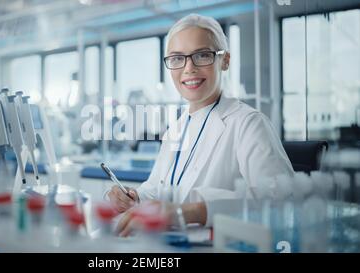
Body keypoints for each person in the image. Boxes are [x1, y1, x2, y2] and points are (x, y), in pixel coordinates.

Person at [108, 14, 294, 236]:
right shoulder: (175, 130)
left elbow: (281, 197)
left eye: (202, 55)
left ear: (224, 60)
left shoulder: (248, 123)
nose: (189, 68)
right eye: (177, 58)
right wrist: (133, 197)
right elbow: (157, 190)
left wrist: (191, 211)